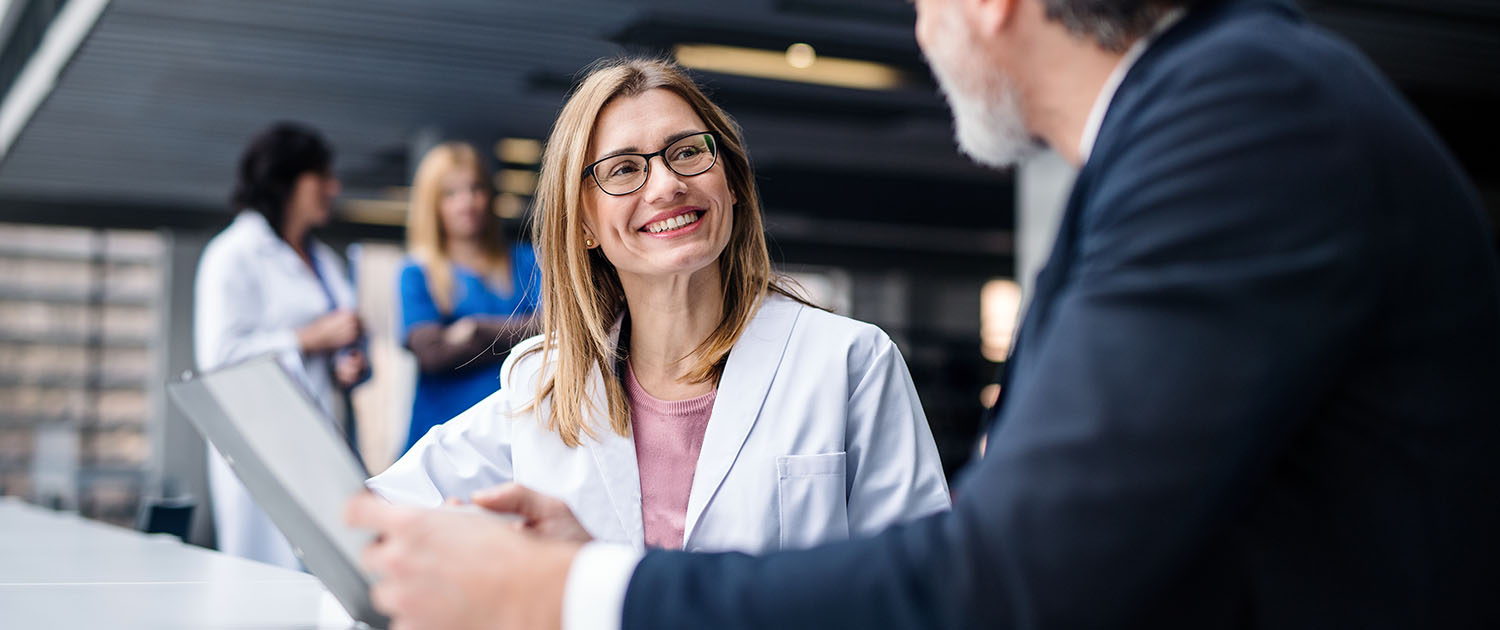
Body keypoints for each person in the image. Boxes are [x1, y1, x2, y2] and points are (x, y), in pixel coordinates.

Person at [347, 0, 1500, 627]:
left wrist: (578, 594)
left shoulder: (1242, 119)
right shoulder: (1180, 134)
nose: (918, 27)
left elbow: (1004, 576)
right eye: (622, 174)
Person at [364, 58, 950, 555]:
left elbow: (926, 586)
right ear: (585, 223)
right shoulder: (543, 383)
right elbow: (372, 517)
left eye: (688, 152)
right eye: (623, 169)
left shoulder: (850, 361)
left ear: (733, 184)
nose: (666, 184)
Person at [197, 121, 368, 568]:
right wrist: (309, 339)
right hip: (261, 440)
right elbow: (218, 359)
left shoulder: (325, 259)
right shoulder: (232, 255)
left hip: (322, 436)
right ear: (288, 181)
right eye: (322, 176)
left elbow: (337, 345)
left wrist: (346, 364)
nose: (335, 187)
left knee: (329, 573)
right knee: (264, 578)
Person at [397, 141, 540, 454]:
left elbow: (558, 328)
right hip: (444, 437)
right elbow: (432, 353)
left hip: (518, 433)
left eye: (475, 188)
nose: (467, 202)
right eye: (450, 194)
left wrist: (474, 331)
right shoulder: (417, 273)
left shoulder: (527, 261)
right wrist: (519, 332)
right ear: (432, 204)